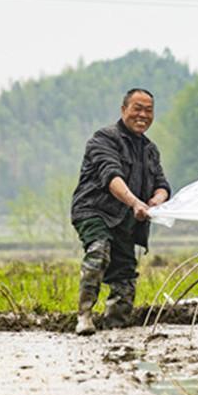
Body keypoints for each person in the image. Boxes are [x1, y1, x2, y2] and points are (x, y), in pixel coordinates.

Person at [70, 88, 171, 335]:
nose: (143, 115)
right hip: (95, 210)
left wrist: (156, 200)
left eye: (148, 110)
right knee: (99, 251)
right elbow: (111, 176)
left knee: (125, 278)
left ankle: (117, 327)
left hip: (127, 220)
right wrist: (135, 202)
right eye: (137, 108)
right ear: (123, 109)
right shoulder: (103, 139)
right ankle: (84, 315)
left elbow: (162, 184)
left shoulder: (150, 149)